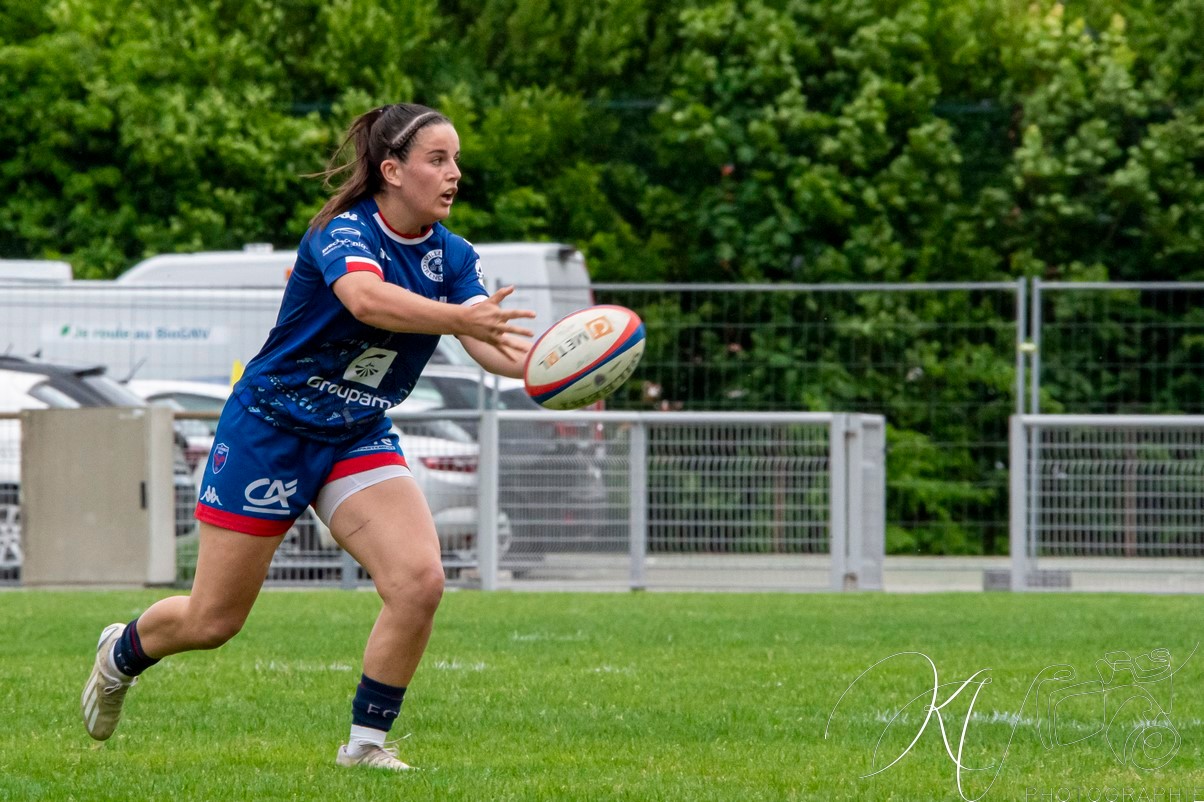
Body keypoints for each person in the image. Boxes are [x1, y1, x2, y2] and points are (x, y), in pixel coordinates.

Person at [80, 103, 535, 771]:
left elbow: (487, 342)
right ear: (391, 170)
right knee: (213, 622)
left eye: (456, 160)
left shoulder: (452, 255)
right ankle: (121, 653)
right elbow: (367, 301)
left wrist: (550, 368)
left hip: (354, 434)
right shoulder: (341, 231)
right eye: (438, 160)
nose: (454, 174)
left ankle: (364, 746)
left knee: (419, 581)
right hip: (271, 429)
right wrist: (462, 319)